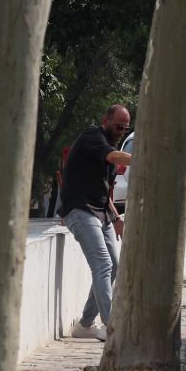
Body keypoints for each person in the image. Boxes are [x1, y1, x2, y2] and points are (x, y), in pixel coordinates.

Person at [60, 105, 133, 341]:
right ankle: (113, 328)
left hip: (101, 213)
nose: (121, 131)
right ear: (105, 121)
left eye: (125, 127)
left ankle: (85, 325)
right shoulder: (92, 137)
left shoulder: (110, 146)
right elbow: (113, 156)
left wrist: (117, 218)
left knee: (114, 264)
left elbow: (105, 194)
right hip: (79, 211)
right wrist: (147, 156)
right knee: (102, 264)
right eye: (118, 126)